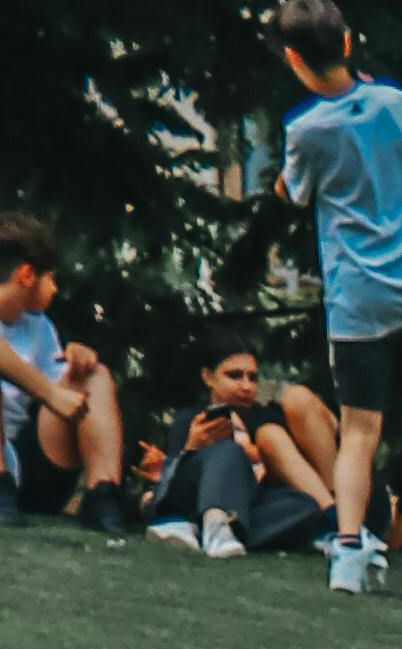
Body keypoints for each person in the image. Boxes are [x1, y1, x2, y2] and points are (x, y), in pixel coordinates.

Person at [275, 0, 402, 599]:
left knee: (360, 429)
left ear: (293, 59)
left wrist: (287, 180)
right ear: (348, 40)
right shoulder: (394, 102)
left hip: (356, 299)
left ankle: (350, 555)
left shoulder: (305, 130)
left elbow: (296, 192)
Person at [144, 343, 341, 556]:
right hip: (196, 495)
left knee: (305, 505)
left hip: (248, 503)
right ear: (208, 377)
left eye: (252, 378)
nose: (246, 386)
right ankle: (214, 524)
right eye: (235, 376)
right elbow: (170, 482)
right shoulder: (190, 419)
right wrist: (192, 448)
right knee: (228, 451)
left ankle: (206, 529)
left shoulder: (266, 420)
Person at [0, 228, 129, 525]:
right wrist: (50, 392)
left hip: (25, 467)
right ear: (26, 275)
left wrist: (76, 364)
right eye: (51, 278)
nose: (56, 289)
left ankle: (103, 494)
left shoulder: (40, 327)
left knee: (94, 376)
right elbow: (54, 396)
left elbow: (65, 395)